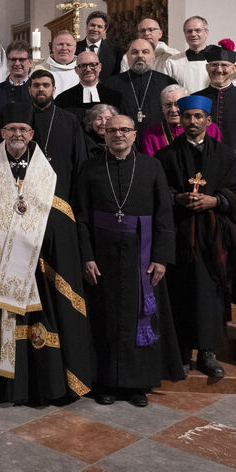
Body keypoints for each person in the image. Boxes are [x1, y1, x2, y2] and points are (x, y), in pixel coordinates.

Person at [0, 107, 94, 403]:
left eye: (23, 130)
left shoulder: (47, 174)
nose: (17, 134)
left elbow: (62, 215)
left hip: (36, 263)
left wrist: (40, 230)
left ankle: (39, 385)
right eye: (11, 129)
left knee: (38, 321)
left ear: (31, 135)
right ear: (2, 133)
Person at [74, 114, 184, 406]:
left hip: (142, 255)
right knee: (105, 317)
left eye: (124, 130)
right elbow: (80, 217)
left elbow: (164, 215)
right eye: (112, 130)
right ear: (104, 135)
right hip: (102, 257)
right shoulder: (89, 168)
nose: (118, 135)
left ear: (135, 134)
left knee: (140, 317)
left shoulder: (152, 166)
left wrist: (161, 258)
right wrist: (86, 256)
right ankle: (105, 382)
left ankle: (137, 384)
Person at [154, 96, 236, 380]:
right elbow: (156, 190)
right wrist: (177, 197)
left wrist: (216, 201)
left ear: (208, 121)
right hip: (179, 236)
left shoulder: (225, 155)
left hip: (214, 238)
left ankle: (209, 353)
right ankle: (182, 352)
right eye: (188, 116)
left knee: (211, 295)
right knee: (180, 293)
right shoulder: (166, 155)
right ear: (181, 120)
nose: (193, 121)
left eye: (198, 116)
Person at [195, 42, 236, 150]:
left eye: (224, 65)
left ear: (233, 68)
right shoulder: (195, 99)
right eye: (214, 65)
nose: (219, 70)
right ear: (207, 67)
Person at [101, 39, 175, 127]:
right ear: (127, 56)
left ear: (153, 56)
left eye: (145, 52)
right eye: (134, 52)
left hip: (158, 134)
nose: (140, 56)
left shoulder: (167, 83)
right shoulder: (110, 84)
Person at [139, 85, 222, 156]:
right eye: (168, 105)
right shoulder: (151, 135)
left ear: (187, 105)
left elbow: (218, 157)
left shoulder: (211, 128)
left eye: (177, 104)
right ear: (162, 108)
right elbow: (151, 165)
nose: (173, 110)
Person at [55, 49, 123, 122]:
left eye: (93, 65)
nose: (88, 69)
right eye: (83, 65)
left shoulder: (115, 97)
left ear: (99, 67)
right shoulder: (63, 99)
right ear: (76, 70)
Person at [0, 40, 34, 131]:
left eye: (21, 59)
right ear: (7, 62)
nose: (17, 63)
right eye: (13, 59)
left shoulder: (37, 90)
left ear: (30, 62)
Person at [165, 16, 212, 92]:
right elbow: (167, 91)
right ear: (184, 34)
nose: (193, 34)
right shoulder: (172, 62)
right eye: (189, 31)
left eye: (197, 30)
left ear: (206, 32)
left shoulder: (217, 61)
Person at [75, 10, 121, 77]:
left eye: (99, 27)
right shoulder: (74, 48)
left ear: (105, 30)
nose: (95, 29)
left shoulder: (115, 51)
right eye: (92, 25)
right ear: (86, 26)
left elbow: (116, 76)